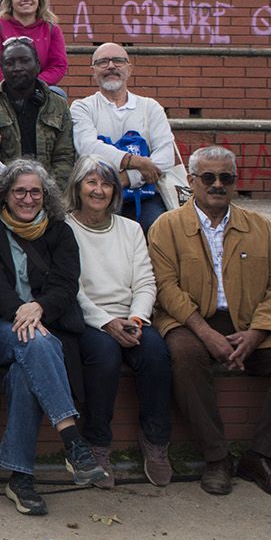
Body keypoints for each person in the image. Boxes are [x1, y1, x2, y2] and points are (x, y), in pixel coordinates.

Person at [147, 146, 271, 500]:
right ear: (191, 181)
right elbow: (166, 287)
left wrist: (257, 333)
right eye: (208, 177)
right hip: (191, 322)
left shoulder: (260, 226)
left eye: (226, 177)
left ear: (235, 182)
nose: (217, 184)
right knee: (184, 354)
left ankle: (262, 456)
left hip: (250, 323)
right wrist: (205, 332)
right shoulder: (167, 226)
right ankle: (217, 457)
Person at [0, 159, 108, 516]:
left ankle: (20, 477)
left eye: (35, 191)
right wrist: (21, 311)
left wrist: (39, 308)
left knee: (28, 367)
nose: (28, 198)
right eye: (20, 191)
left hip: (46, 327)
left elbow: (66, 284)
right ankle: (72, 440)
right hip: (3, 327)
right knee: (33, 341)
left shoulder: (60, 231)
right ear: (5, 195)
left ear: (45, 194)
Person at [66, 155, 172, 487]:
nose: (99, 190)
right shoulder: (65, 228)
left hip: (132, 315)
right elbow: (72, 288)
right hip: (89, 319)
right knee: (105, 356)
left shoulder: (130, 229)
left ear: (115, 191)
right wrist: (108, 322)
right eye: (91, 182)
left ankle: (155, 442)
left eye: (107, 183)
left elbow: (145, 281)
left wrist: (137, 318)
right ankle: (97, 443)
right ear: (78, 188)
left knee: (155, 353)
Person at [70, 43, 180, 231]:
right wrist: (136, 162)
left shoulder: (150, 107)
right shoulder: (82, 107)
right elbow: (88, 148)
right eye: (103, 62)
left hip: (147, 193)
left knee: (161, 231)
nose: (111, 66)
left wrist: (128, 177)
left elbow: (166, 156)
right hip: (100, 193)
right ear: (93, 71)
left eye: (118, 61)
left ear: (129, 69)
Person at [0, 36, 76, 189]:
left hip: (48, 193)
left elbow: (64, 156)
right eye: (9, 63)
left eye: (24, 61)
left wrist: (50, 194)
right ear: (2, 68)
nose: (17, 67)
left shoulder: (58, 105)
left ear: (38, 65)